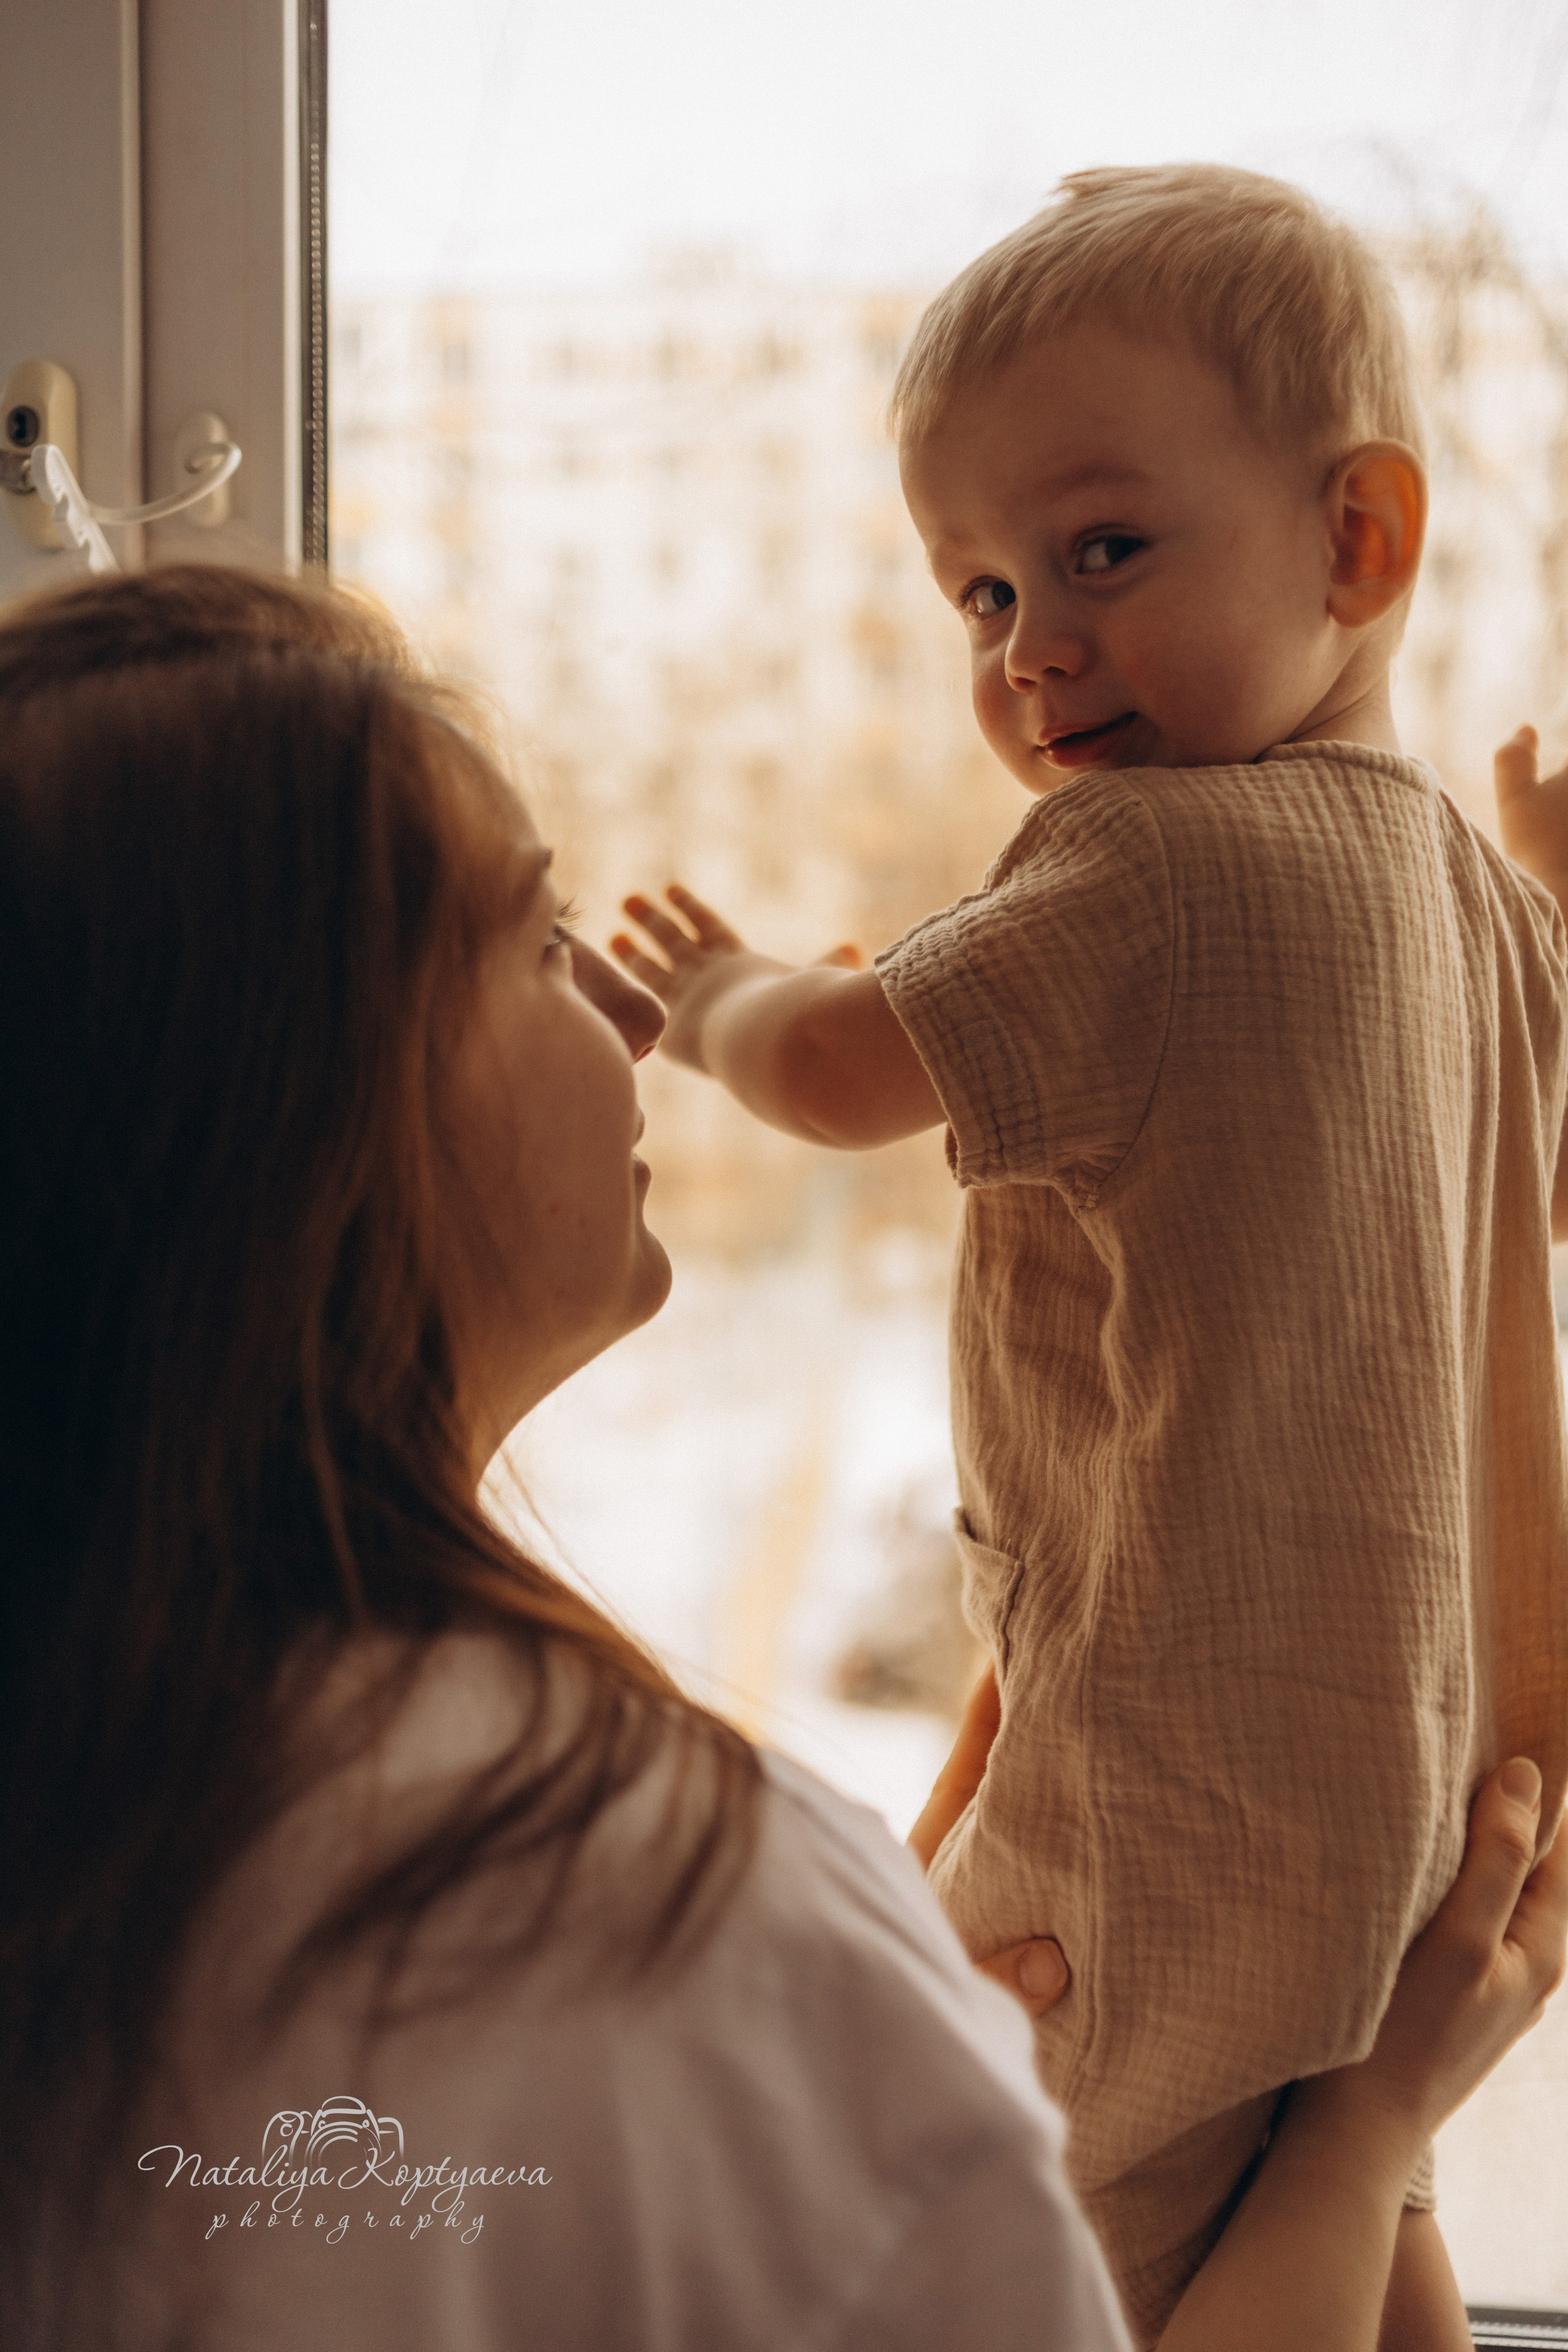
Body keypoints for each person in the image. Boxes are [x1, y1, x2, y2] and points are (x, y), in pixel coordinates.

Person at [0, 566, 1561, 2352]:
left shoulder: (111, 1785)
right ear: (302, 1109)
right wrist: (1363, 2138)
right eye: (529, 933)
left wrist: (853, 2031)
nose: (621, 1001)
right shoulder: (631, 1891)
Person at [612, 164, 1568, 2346]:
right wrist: (1556, 898)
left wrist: (721, 996)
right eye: (973, 592)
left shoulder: (1141, 861)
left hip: (1173, 1794)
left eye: (1098, 553)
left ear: (1361, 539)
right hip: (1435, 1780)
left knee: (1103, 2257)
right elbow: (1548, 1167)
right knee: (1358, 2188)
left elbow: (852, 1070)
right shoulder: (1460, 896)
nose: (1028, 645)